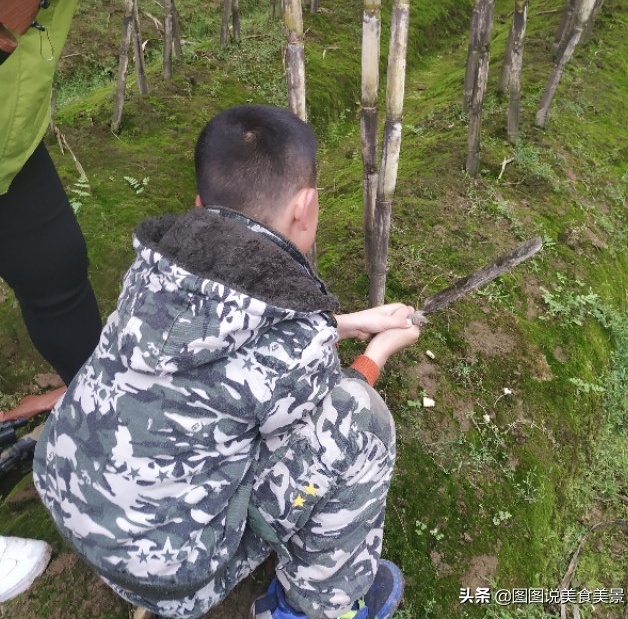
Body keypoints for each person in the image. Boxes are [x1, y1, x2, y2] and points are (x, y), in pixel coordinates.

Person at [32, 104, 420, 619]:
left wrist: (345, 322)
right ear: (306, 208)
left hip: (73, 504)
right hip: (178, 577)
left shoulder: (154, 270)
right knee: (361, 419)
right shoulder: (295, 342)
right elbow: (316, 432)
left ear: (199, 205)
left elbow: (231, 336)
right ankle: (312, 606)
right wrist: (373, 356)